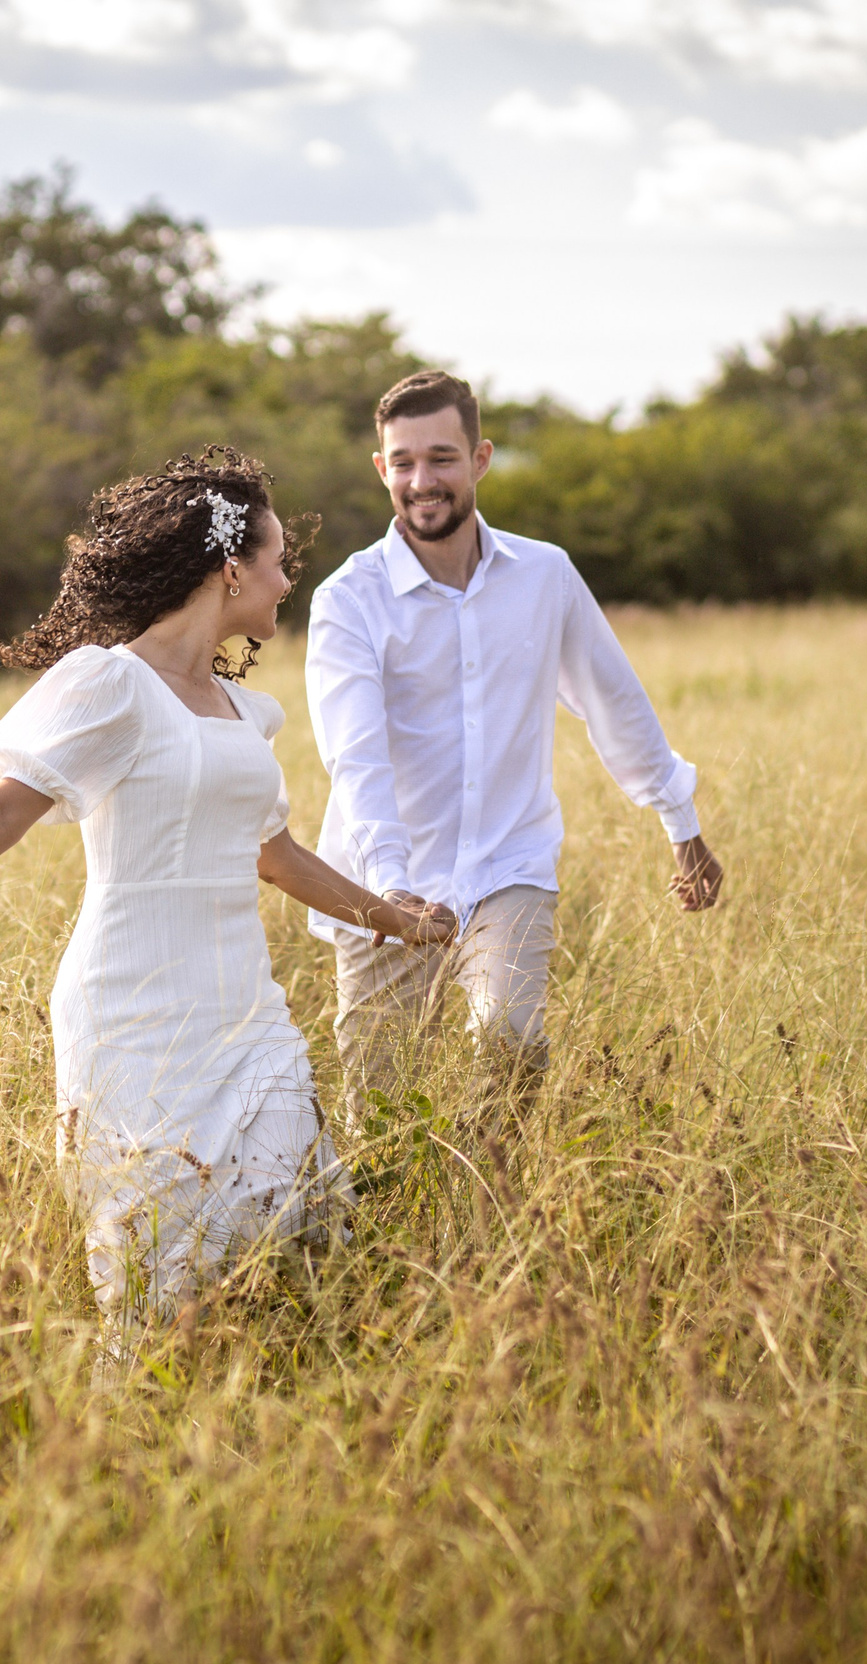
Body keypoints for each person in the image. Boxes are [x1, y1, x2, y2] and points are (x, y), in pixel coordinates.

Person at [0, 448, 455, 1337]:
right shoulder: (111, 683)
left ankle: (291, 1375)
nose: (285, 581)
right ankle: (151, 1418)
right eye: (277, 559)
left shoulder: (244, 711)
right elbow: (7, 808)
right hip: (134, 1007)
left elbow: (274, 855)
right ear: (230, 567)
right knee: (165, 1267)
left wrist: (395, 918)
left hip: (245, 1008)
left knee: (303, 1218)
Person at [305, 371, 724, 1113]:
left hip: (509, 864)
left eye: (441, 458)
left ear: (481, 458)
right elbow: (355, 754)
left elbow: (612, 697)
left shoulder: (545, 575)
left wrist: (679, 820)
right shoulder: (348, 598)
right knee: (381, 1104)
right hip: (383, 887)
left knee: (511, 1040)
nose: (421, 480)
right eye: (402, 462)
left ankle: (489, 1205)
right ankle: (402, 1222)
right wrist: (391, 884)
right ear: (381, 469)